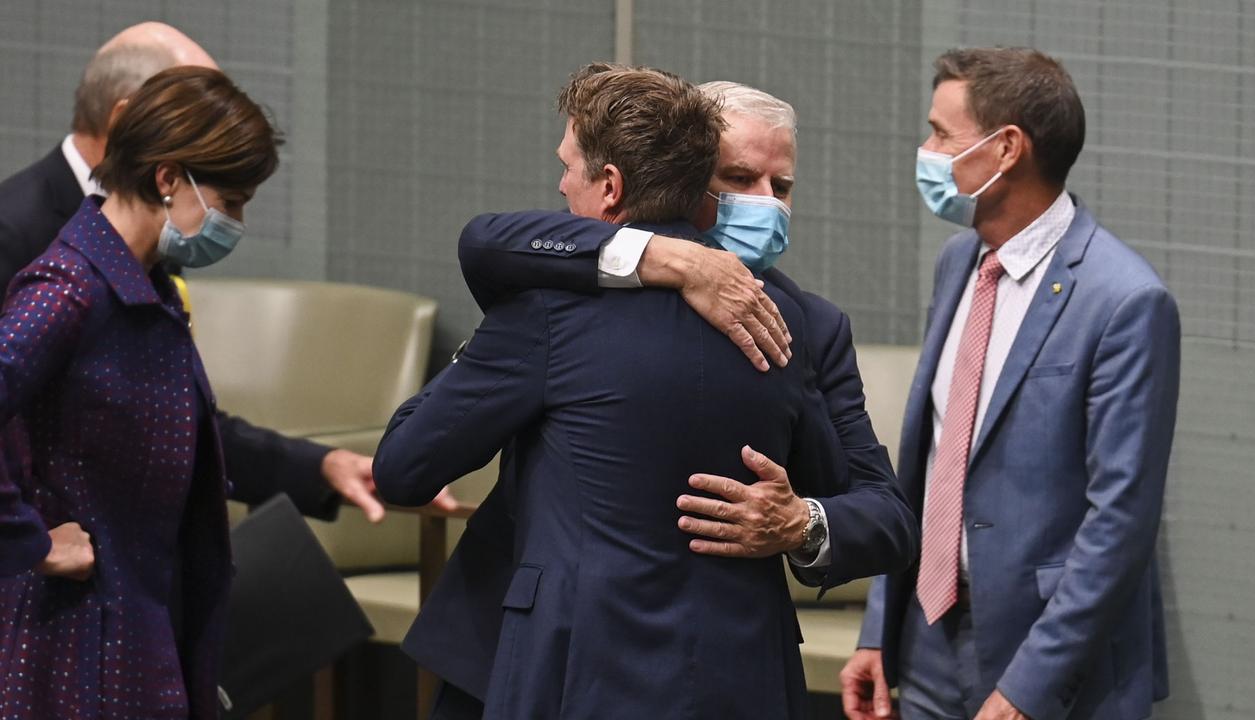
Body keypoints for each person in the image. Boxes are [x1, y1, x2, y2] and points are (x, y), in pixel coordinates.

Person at [406, 80, 918, 718]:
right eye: (738, 178)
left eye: (780, 187)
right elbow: (485, 239)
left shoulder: (804, 325)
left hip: (719, 667)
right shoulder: (567, 281)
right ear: (685, 176)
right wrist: (664, 257)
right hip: (526, 648)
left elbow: (886, 515)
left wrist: (802, 521)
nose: (764, 205)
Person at [0, 22, 455, 525]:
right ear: (142, 127)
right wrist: (32, 545)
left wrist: (318, 466)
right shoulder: (28, 242)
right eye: (199, 108)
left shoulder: (149, 241)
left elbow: (169, 423)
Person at [840, 48, 1180, 720]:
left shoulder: (1125, 301)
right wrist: (881, 628)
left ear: (1007, 149)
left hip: (1054, 665)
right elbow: (929, 464)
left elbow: (1120, 522)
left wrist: (1030, 686)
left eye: (942, 133)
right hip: (928, 641)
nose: (925, 150)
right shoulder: (958, 262)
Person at [0, 66, 281, 719]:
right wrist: (30, 540)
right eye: (231, 201)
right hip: (76, 654)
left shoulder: (142, 285)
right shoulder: (69, 288)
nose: (234, 222)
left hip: (141, 627)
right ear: (167, 179)